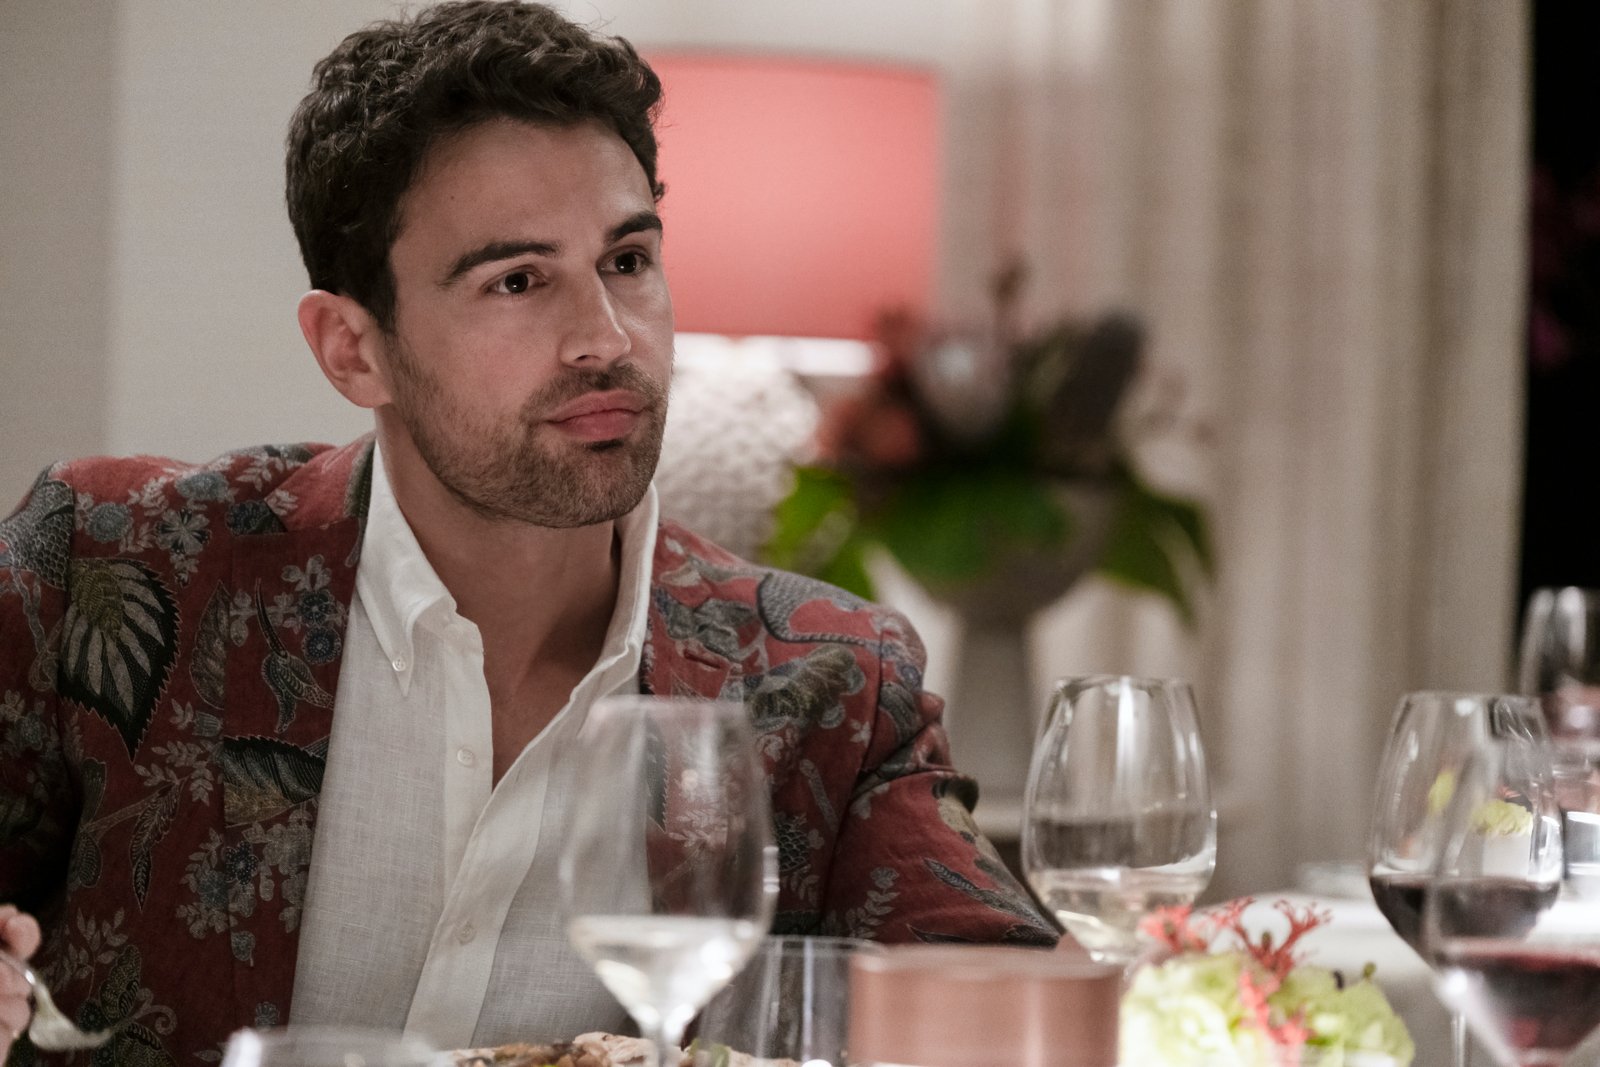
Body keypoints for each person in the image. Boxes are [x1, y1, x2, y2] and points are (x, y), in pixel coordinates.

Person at [0, 1, 1055, 1060]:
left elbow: (1012, 1015)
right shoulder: (111, 565)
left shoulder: (829, 684)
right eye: (516, 279)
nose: (604, 337)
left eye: (629, 260)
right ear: (353, 349)